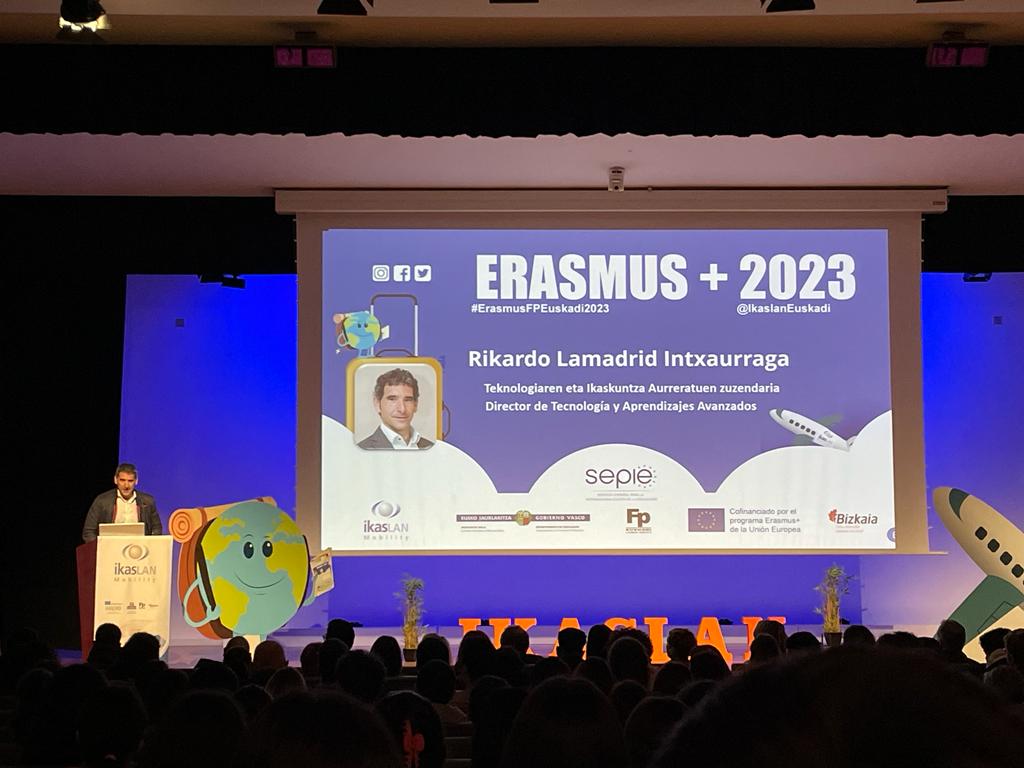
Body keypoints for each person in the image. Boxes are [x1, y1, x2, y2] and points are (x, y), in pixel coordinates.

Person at [82, 463, 162, 542]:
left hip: (139, 547)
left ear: (136, 481)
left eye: (130, 481)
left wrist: (149, 545)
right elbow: (89, 531)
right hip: (110, 547)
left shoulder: (148, 501)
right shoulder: (102, 501)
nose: (126, 485)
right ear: (115, 480)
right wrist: (100, 547)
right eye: (122, 480)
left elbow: (157, 528)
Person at [357, 368, 434, 450]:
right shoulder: (361, 450)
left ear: (415, 405)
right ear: (377, 404)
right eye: (392, 399)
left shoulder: (432, 448)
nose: (402, 409)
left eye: (408, 400)